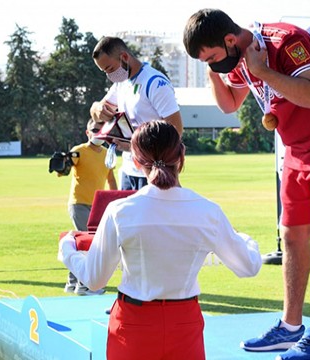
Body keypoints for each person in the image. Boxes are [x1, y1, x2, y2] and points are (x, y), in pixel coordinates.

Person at [183, 9, 310, 360]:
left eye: (212, 56)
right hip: (296, 152)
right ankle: (290, 327)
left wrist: (263, 72)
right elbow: (229, 105)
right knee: (290, 236)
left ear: (229, 40)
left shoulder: (286, 41)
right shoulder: (237, 59)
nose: (214, 65)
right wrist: (213, 71)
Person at [59, 120, 262, 360]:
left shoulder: (120, 210)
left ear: (135, 162)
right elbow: (248, 266)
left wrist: (67, 250)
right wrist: (244, 238)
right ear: (182, 156)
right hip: (184, 324)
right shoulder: (208, 211)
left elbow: (94, 279)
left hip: (133, 324)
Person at [89, 36, 183, 191]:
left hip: (156, 172)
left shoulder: (155, 83)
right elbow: (96, 110)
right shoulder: (121, 83)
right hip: (128, 170)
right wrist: (97, 108)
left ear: (124, 57)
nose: (109, 76)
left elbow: (176, 132)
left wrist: (135, 147)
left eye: (110, 69)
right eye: (104, 71)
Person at [60, 118, 117, 295]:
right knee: (90, 243)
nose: (97, 133)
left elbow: (110, 179)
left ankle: (73, 282)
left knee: (84, 242)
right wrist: (62, 164)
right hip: (79, 203)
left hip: (97, 206)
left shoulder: (107, 153)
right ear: (87, 133)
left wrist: (115, 199)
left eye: (100, 130)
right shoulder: (79, 151)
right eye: (94, 130)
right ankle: (85, 285)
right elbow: (65, 169)